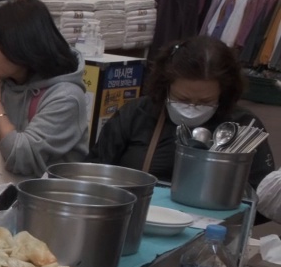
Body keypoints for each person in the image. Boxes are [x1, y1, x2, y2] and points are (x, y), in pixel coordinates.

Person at [91, 36, 274, 188]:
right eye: (182, 99)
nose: (192, 108)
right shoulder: (136, 114)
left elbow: (261, 197)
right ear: (165, 87)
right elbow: (95, 171)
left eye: (205, 101)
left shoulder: (244, 127)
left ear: (224, 94)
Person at [0, 0, 89, 178]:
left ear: (25, 45)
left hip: (48, 198)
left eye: (0, 43)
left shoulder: (66, 96)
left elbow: (22, 159)